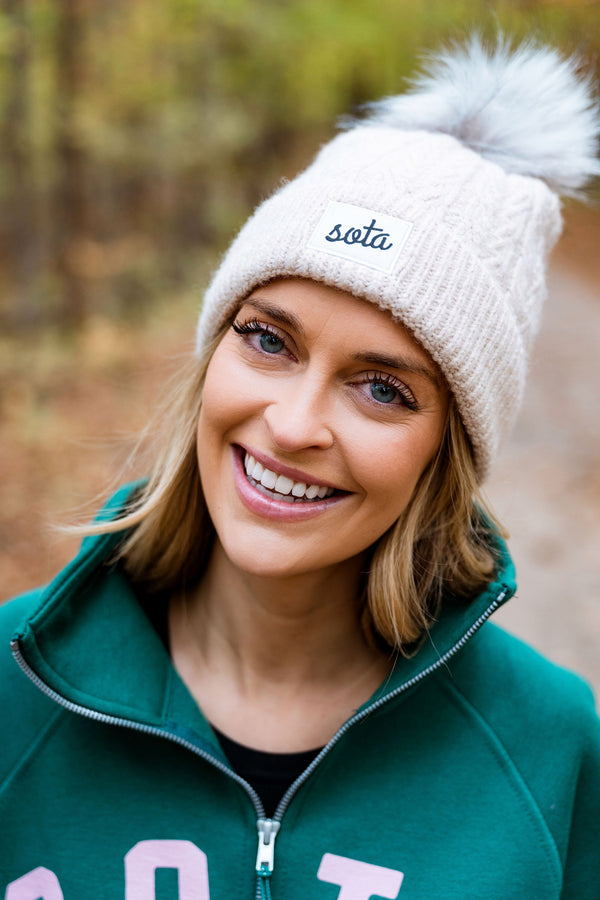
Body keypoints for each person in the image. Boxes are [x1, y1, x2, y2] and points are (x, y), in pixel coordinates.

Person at [1, 35, 599, 900]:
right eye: (269, 339)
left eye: (383, 390)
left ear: (448, 450)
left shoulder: (549, 746)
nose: (292, 424)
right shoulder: (15, 692)